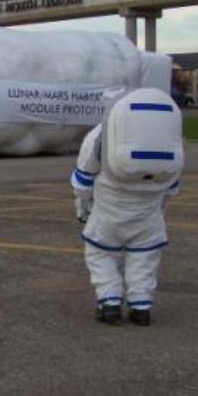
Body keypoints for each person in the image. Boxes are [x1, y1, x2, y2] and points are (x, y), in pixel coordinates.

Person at [72, 88, 182, 326]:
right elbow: (172, 185)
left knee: (100, 254)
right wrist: (160, 206)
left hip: (108, 213)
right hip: (149, 215)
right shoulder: (168, 140)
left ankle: (110, 301)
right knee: (143, 259)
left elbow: (83, 179)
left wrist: (82, 205)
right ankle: (141, 307)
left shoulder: (100, 134)